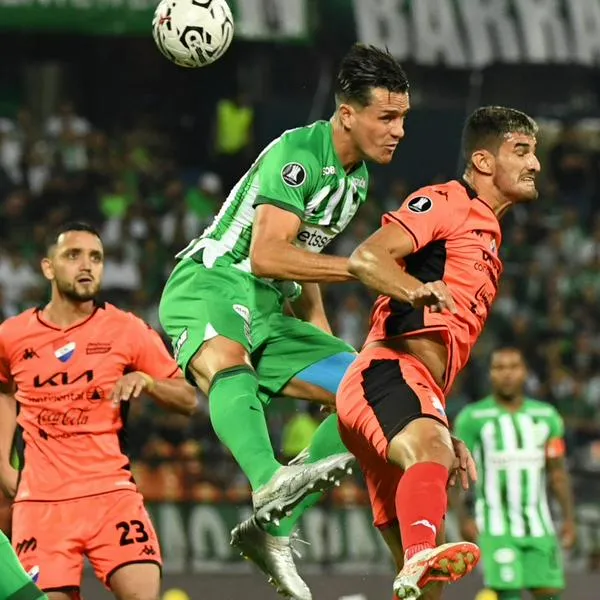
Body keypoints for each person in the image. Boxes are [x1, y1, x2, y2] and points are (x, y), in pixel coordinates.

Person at [159, 43, 410, 600]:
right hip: (214, 280)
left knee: (371, 392)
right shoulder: (299, 152)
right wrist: (359, 268)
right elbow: (268, 255)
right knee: (229, 361)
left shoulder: (357, 181)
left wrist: (325, 347)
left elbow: (302, 265)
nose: (398, 131)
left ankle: (273, 527)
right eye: (387, 117)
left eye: (403, 118)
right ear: (348, 114)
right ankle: (267, 479)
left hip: (271, 308)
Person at [335, 106, 542, 599]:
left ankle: (417, 562)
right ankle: (418, 554)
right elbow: (366, 257)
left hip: (409, 392)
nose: (535, 164)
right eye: (521, 151)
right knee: (426, 530)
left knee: (426, 590)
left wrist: (440, 426)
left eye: (535, 153)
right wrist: (413, 290)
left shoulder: (489, 236)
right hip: (385, 372)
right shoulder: (448, 201)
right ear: (483, 161)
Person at [0, 222, 198, 600]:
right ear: (48, 267)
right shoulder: (12, 335)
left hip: (111, 494)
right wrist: (2, 466)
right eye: (73, 255)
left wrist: (149, 382)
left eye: (96, 257)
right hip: (42, 504)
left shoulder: (127, 329)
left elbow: (188, 398)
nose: (86, 265)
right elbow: (4, 393)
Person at [452, 347, 576, 600]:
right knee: (509, 593)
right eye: (499, 367)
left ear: (525, 372)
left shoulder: (547, 416)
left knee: (550, 592)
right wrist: (463, 518)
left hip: (539, 524)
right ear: (490, 374)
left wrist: (569, 520)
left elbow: (558, 474)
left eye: (513, 367)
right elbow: (457, 472)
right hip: (495, 525)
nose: (507, 374)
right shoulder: (472, 418)